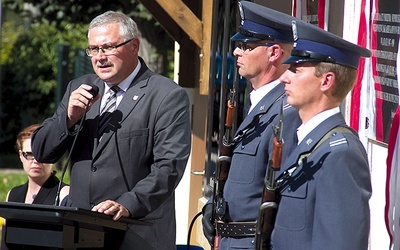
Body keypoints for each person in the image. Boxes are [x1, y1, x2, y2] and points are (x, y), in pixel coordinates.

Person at [31, 11, 191, 250]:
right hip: (79, 232)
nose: (99, 57)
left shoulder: (166, 95)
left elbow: (168, 167)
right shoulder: (80, 88)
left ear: (134, 46)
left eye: (107, 48)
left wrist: (127, 204)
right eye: (93, 49)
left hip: (136, 233)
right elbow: (42, 151)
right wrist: (69, 118)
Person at [202, 2, 301, 249]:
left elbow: (284, 193)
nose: (236, 52)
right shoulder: (257, 102)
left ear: (274, 53)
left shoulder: (285, 111)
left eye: (246, 46)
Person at [271, 20, 372, 249]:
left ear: (326, 81)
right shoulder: (308, 142)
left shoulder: (340, 153)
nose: (284, 78)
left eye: (296, 70)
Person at [1, 124, 70, 250]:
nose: (36, 160)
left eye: (42, 153)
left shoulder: (64, 194)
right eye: (29, 154)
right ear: (21, 155)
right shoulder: (13, 195)